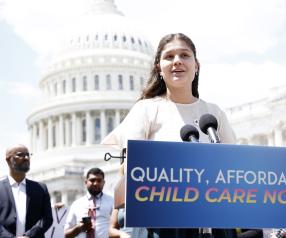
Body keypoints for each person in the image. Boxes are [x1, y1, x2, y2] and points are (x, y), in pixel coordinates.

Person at [102, 33, 236, 238]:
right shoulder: (146, 110)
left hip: (215, 223)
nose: (177, 61)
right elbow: (133, 169)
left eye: (184, 55)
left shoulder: (214, 113)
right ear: (159, 68)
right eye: (169, 57)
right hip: (164, 225)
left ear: (197, 65)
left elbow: (235, 166)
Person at [0, 144, 53, 238]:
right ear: (8, 159)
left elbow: (47, 218)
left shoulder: (40, 188)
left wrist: (29, 236)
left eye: (28, 155)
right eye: (20, 155)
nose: (26, 158)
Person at [64, 168, 113, 238]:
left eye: (99, 180)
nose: (96, 183)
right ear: (86, 182)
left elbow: (118, 228)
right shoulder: (76, 204)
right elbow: (65, 234)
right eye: (92, 180)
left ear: (103, 183)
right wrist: (79, 228)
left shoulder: (112, 202)